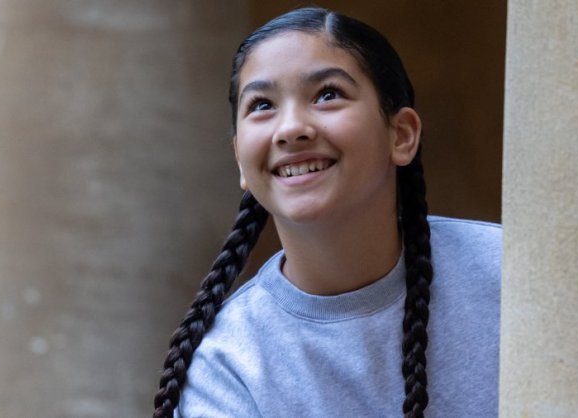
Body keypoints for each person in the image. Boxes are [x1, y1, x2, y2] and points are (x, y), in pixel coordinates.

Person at [153, 7, 501, 418]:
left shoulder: (514, 275)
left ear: (402, 135)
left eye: (328, 94)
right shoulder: (227, 368)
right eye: (262, 105)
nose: (291, 128)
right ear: (240, 163)